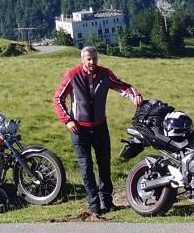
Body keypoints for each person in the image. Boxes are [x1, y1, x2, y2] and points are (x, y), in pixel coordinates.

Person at [54, 45, 143, 216]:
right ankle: (94, 205)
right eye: (89, 59)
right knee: (86, 168)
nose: (92, 62)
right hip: (79, 130)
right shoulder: (72, 75)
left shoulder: (105, 74)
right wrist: (68, 120)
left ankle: (108, 202)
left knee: (104, 166)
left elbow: (121, 86)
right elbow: (58, 98)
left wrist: (135, 95)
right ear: (82, 60)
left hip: (100, 127)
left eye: (94, 58)